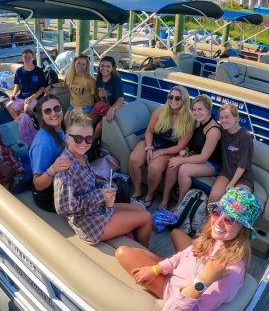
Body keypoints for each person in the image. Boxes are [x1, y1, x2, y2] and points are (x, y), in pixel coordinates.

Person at [115, 188, 261, 311]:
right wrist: (156, 269)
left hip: (175, 292)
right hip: (178, 274)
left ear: (244, 230)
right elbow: (184, 256)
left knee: (122, 253)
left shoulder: (229, 272)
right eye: (217, 211)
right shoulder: (215, 239)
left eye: (230, 219)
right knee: (176, 233)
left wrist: (204, 280)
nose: (218, 221)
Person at [53, 109, 152, 246]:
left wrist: (104, 188)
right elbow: (64, 207)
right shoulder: (65, 167)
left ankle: (131, 238)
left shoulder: (82, 156)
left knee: (140, 209)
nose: (84, 143)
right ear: (67, 137)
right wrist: (101, 195)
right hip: (89, 223)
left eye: (89, 138)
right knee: (146, 218)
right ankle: (143, 255)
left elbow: (89, 186)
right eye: (78, 138)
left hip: (97, 208)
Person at [128, 85, 194, 208]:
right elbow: (149, 132)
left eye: (177, 98)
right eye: (171, 97)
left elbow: (180, 146)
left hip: (171, 148)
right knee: (134, 159)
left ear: (184, 100)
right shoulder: (161, 110)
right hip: (153, 142)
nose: (173, 100)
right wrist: (148, 147)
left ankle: (150, 194)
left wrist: (160, 152)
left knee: (154, 167)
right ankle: (137, 190)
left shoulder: (188, 120)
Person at [158, 95, 222, 209]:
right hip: (196, 156)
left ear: (209, 109)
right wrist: (185, 150)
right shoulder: (198, 122)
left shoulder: (213, 131)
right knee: (172, 165)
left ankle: (180, 205)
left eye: (200, 109)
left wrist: (181, 160)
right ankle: (165, 199)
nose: (197, 112)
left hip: (211, 163)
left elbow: (203, 157)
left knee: (183, 169)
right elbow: (191, 143)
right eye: (194, 109)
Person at [29, 95, 70, 212]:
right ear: (42, 116)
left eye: (57, 108)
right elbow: (38, 184)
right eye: (47, 111)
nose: (53, 113)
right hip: (48, 196)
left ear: (62, 109)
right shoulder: (43, 144)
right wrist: (53, 169)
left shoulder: (60, 128)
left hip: (63, 184)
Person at [208, 103, 254, 204]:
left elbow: (243, 164)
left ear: (236, 117)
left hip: (243, 178)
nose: (223, 120)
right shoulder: (222, 131)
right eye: (221, 117)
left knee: (233, 204)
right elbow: (208, 124)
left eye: (227, 117)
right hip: (226, 173)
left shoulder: (245, 136)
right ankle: (208, 220)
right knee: (213, 198)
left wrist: (232, 183)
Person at [45, 54, 98, 122]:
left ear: (86, 66)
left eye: (83, 64)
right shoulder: (70, 76)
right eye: (78, 63)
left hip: (86, 107)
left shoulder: (90, 80)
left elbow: (95, 96)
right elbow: (64, 85)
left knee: (77, 124)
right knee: (65, 120)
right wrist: (51, 86)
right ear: (74, 64)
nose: (80, 66)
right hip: (73, 105)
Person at [6, 49, 47, 119]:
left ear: (33, 58)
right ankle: (19, 124)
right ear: (22, 58)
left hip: (35, 98)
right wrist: (14, 94)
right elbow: (17, 84)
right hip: (22, 96)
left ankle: (29, 127)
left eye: (29, 57)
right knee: (9, 106)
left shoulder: (39, 71)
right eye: (25, 57)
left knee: (27, 108)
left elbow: (42, 88)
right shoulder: (19, 71)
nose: (27, 59)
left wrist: (32, 97)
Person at [93, 56, 125, 139]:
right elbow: (97, 94)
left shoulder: (116, 79)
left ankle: (92, 145)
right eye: (102, 66)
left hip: (114, 108)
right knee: (87, 121)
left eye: (108, 66)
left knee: (99, 127)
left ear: (113, 68)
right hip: (102, 107)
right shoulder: (99, 77)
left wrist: (112, 109)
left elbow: (121, 99)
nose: (104, 68)